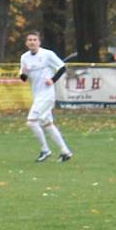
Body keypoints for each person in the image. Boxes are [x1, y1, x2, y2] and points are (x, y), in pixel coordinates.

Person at [19, 31, 72, 163]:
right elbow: (24, 78)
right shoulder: (24, 57)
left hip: (47, 94)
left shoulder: (47, 54)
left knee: (31, 121)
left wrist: (52, 80)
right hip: (37, 95)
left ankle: (45, 150)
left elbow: (62, 67)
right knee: (47, 124)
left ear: (39, 42)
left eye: (34, 39)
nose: (32, 42)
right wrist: (23, 73)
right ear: (26, 43)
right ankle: (65, 151)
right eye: (29, 40)